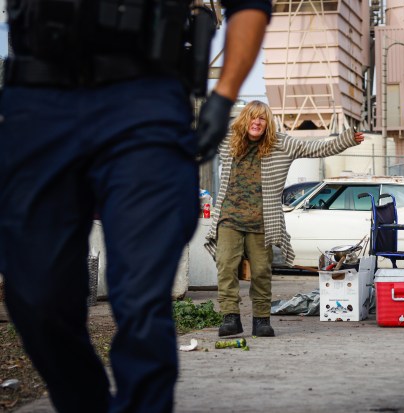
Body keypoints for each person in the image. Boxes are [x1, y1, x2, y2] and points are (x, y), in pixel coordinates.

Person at [0, 1, 270, 412]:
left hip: (144, 99)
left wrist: (223, 96)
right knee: (36, 296)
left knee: (142, 298)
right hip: (40, 97)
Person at [204, 101, 364, 337]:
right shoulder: (229, 141)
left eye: (262, 119)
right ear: (244, 119)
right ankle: (230, 318)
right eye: (252, 117)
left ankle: (261, 320)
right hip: (229, 218)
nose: (257, 122)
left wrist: (347, 139)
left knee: (261, 272)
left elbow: (317, 149)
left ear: (268, 123)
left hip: (263, 223)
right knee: (225, 266)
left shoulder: (282, 144)